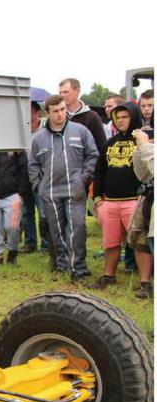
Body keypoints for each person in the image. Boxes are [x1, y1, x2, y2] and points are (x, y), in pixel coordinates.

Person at [29, 95, 98, 282]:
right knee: (57, 231)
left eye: (62, 110)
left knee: (77, 228)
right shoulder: (38, 139)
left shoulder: (80, 131)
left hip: (75, 190)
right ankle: (62, 266)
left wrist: (84, 178)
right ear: (48, 113)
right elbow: (33, 164)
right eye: (55, 111)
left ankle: (79, 270)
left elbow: (93, 155)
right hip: (51, 192)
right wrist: (38, 185)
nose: (60, 114)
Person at [92, 102, 152, 292]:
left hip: (134, 200)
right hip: (109, 202)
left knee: (140, 244)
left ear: (133, 117)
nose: (120, 120)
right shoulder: (110, 142)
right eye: (117, 117)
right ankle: (109, 276)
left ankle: (145, 283)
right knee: (110, 242)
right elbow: (99, 171)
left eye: (124, 116)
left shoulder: (144, 141)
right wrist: (98, 199)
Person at [127, 128, 154, 298]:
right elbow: (142, 174)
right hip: (149, 202)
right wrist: (140, 149)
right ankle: (146, 283)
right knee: (142, 241)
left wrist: (145, 145)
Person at [20, 101, 49, 254]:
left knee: (44, 213)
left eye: (29, 110)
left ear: (37, 113)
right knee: (26, 212)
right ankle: (30, 243)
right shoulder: (20, 132)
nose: (27, 114)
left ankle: (46, 245)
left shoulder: (45, 132)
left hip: (41, 178)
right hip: (24, 179)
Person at [59, 78, 107, 154]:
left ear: (77, 91)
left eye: (65, 92)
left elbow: (101, 147)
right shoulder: (57, 117)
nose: (62, 95)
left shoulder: (92, 117)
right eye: (60, 93)